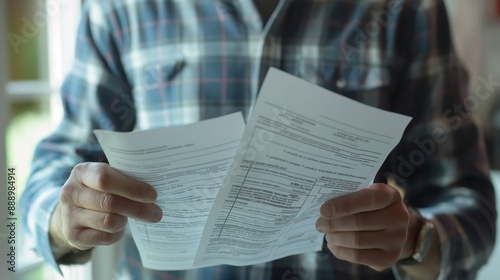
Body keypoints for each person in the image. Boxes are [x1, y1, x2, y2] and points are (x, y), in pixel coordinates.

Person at [20, 0, 497, 279]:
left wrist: (415, 238)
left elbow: (468, 200)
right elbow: (58, 162)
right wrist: (64, 217)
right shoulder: (121, 6)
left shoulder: (405, 8)